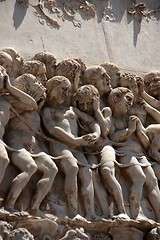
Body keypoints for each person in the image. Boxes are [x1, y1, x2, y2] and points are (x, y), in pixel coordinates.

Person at [41, 76, 100, 220]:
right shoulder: (47, 110)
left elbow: (92, 121)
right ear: (53, 87)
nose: (66, 94)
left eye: (67, 91)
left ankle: (91, 213)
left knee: (87, 173)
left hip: (77, 147)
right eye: (63, 89)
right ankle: (73, 211)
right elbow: (52, 128)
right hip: (60, 145)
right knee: (72, 168)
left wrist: (96, 133)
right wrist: (73, 140)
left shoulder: (72, 109)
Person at [73, 84, 129, 219]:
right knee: (92, 176)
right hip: (89, 152)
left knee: (107, 171)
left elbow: (105, 132)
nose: (86, 107)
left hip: (105, 147)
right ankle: (100, 212)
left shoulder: (106, 110)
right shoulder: (78, 114)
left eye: (89, 103)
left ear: (96, 100)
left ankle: (122, 211)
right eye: (82, 104)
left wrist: (97, 109)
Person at [4, 73, 58, 213]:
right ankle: (9, 205)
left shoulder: (33, 105)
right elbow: (31, 104)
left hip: (34, 146)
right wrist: (10, 87)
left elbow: (34, 105)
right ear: (27, 87)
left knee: (52, 169)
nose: (40, 84)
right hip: (16, 142)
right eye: (35, 82)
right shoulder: (13, 100)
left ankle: (34, 207)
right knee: (30, 167)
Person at [108, 87, 160, 221]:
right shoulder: (113, 118)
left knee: (153, 181)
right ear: (115, 98)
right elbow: (112, 137)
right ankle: (137, 214)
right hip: (124, 153)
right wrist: (129, 130)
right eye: (128, 99)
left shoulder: (132, 118)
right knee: (139, 177)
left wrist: (138, 129)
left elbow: (147, 144)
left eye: (132, 101)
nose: (130, 103)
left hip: (141, 155)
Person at [0, 66, 37, 194]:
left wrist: (10, 88)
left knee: (3, 159)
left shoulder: (6, 100)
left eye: (3, 75)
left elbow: (32, 105)